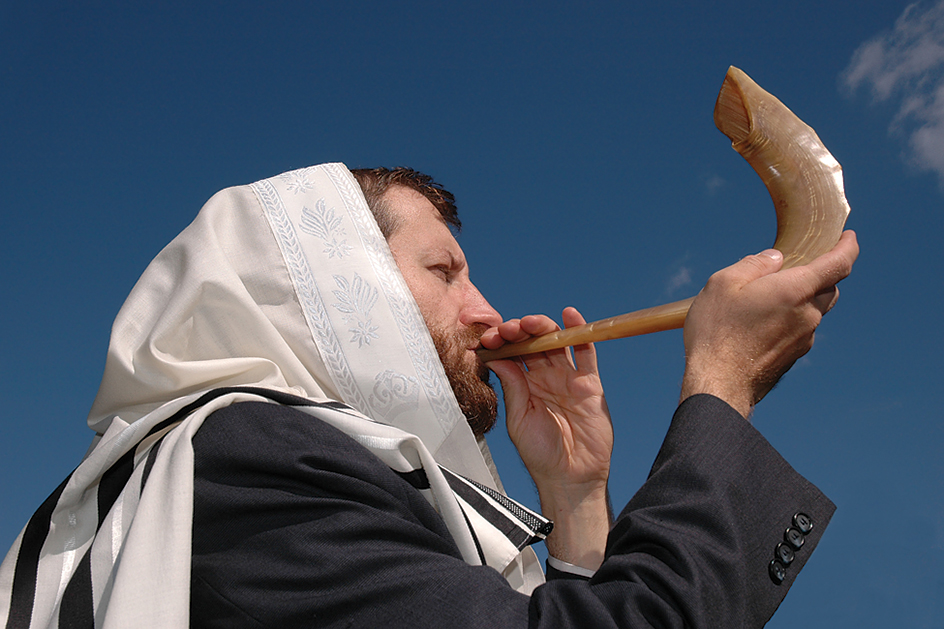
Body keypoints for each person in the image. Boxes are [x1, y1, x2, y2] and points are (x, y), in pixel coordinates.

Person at [0, 163, 858, 628]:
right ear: (334, 290)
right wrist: (721, 385)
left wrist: (576, 492)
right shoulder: (244, 455)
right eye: (444, 271)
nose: (487, 314)